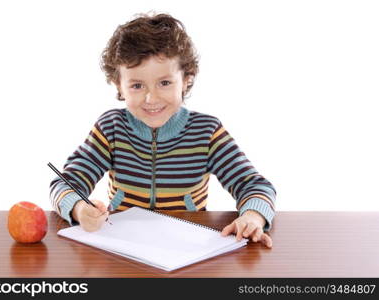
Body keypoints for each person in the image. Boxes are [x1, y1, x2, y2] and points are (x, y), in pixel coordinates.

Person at [49, 12, 276, 248]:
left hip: (187, 248)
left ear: (187, 79)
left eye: (164, 83)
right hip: (125, 247)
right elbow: (64, 183)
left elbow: (255, 186)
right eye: (137, 85)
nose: (151, 98)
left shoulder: (207, 132)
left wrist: (252, 216)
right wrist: (79, 208)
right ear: (119, 85)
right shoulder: (111, 129)